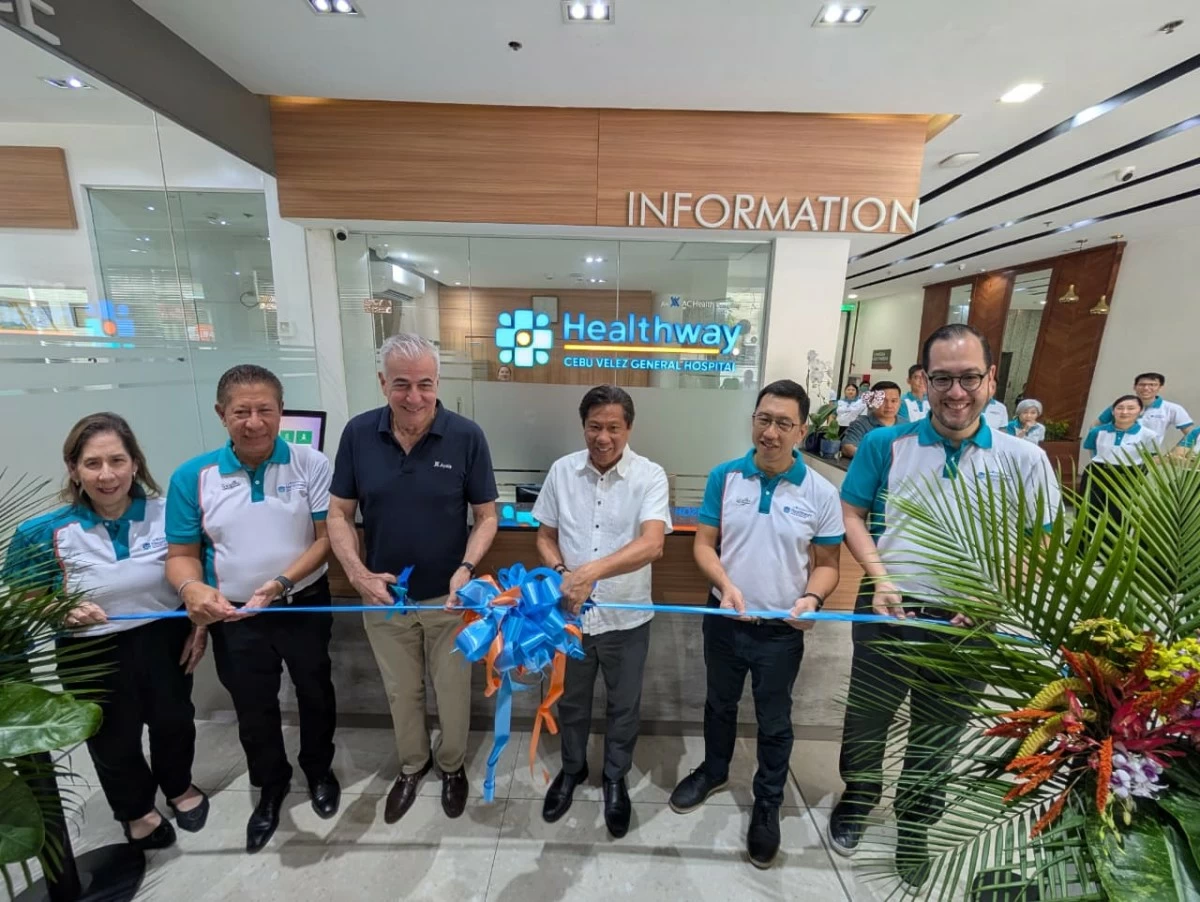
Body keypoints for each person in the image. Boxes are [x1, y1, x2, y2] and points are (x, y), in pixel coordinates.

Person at [829, 324, 1060, 890]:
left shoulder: (1025, 458)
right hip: (887, 611)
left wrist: (993, 596)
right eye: (943, 379)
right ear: (923, 380)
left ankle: (916, 826)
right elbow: (851, 514)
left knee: (939, 733)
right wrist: (878, 577)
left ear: (990, 379)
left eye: (969, 378)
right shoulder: (887, 445)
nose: (956, 392)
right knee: (867, 722)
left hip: (969, 623)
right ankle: (858, 799)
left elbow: (1041, 542)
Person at [4, 413, 208, 851]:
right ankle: (136, 811)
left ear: (135, 463)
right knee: (112, 737)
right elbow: (20, 598)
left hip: (163, 638)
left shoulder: (167, 513)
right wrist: (61, 608)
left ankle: (179, 787)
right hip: (89, 652)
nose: (107, 474)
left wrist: (199, 626)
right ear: (74, 469)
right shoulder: (41, 533)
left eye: (117, 460)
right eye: (93, 463)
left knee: (175, 722)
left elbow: (196, 574)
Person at [668, 379, 843, 869]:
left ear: (802, 431)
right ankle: (715, 770)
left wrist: (812, 596)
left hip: (782, 632)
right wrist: (724, 584)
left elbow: (828, 563)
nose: (770, 432)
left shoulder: (821, 492)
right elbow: (704, 544)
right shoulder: (725, 477)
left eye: (783, 423)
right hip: (724, 618)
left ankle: (767, 802)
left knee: (775, 720)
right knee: (719, 704)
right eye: (763, 419)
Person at [326, 332, 499, 825]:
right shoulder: (358, 434)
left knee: (452, 691)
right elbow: (339, 514)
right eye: (402, 385)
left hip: (449, 601)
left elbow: (486, 516)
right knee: (402, 692)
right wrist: (359, 576)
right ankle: (412, 765)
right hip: (384, 601)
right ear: (382, 383)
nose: (415, 397)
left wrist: (465, 571)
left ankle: (451, 766)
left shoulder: (466, 436)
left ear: (438, 381)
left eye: (425, 384)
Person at [165, 365, 339, 854]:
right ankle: (271, 785)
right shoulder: (191, 476)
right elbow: (179, 556)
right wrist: (192, 591)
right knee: (253, 706)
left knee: (315, 690)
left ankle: (319, 770)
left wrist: (282, 582)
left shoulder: (311, 463)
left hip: (301, 601)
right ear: (222, 415)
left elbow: (329, 539)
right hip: (234, 614)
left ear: (282, 412)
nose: (254, 422)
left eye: (265, 410)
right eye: (241, 412)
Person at [534, 385, 671, 838]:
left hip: (626, 619)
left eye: (613, 427)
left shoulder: (650, 475)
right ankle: (571, 770)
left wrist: (591, 570)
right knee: (570, 701)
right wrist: (561, 571)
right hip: (569, 617)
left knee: (623, 705)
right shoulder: (561, 471)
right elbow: (545, 536)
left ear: (628, 428)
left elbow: (653, 544)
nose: (603, 436)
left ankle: (615, 777)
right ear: (583, 426)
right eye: (595, 426)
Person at [1081, 394, 1158, 525]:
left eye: (1131, 408)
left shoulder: (1148, 435)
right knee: (1087, 512)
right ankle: (1081, 544)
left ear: (1140, 411)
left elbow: (1150, 456)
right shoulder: (1097, 431)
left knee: (1118, 516)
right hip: (1097, 473)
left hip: (1128, 476)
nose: (1124, 412)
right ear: (1113, 411)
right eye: (1120, 408)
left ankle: (1112, 545)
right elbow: (1091, 448)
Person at [1096, 372, 1192, 449]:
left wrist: (1174, 453)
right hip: (1115, 454)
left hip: (1148, 456)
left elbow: (1191, 434)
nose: (1146, 388)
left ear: (1160, 388)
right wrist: (1098, 449)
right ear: (1134, 387)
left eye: (1152, 385)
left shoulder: (1172, 409)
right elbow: (1096, 425)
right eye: (1142, 384)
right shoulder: (1121, 406)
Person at [840, 381, 902, 459]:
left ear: (899, 402)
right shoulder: (861, 424)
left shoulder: (906, 425)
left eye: (893, 401)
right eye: (882, 401)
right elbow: (848, 448)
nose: (889, 405)